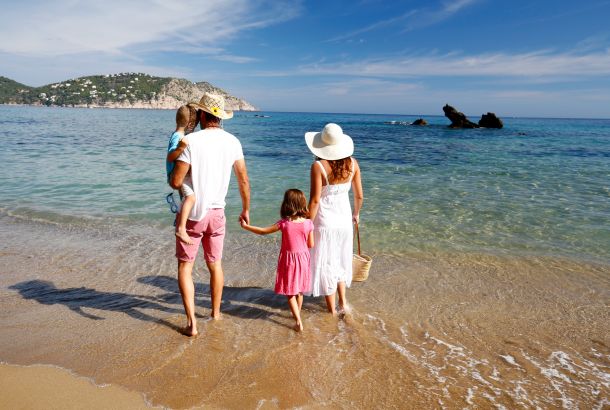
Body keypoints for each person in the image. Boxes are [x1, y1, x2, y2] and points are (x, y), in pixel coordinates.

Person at [170, 93, 250, 337]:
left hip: (194, 214)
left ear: (203, 115)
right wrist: (246, 208)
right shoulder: (233, 142)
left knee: (186, 267)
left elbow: (175, 182)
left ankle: (192, 323)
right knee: (215, 265)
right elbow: (243, 180)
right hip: (218, 213)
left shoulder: (192, 142)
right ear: (220, 117)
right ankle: (215, 313)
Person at [305, 123, 363, 315]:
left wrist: (306, 224)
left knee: (327, 264)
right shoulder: (353, 164)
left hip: (324, 222)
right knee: (340, 261)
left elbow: (314, 200)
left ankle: (331, 310)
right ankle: (343, 303)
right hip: (345, 221)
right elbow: (359, 196)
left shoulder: (318, 166)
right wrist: (356, 214)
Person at [240, 189, 314, 331]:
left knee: (290, 292)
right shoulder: (309, 223)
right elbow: (311, 244)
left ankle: (298, 320)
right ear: (302, 203)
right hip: (304, 258)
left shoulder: (284, 223)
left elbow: (263, 231)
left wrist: (246, 226)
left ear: (287, 204)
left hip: (289, 260)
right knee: (299, 291)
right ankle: (297, 315)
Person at [166, 105, 200, 245]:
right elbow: (170, 157)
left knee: (185, 200)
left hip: (176, 174)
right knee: (191, 198)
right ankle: (181, 228)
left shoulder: (178, 135)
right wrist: (181, 148)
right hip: (174, 174)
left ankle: (180, 221)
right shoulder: (179, 137)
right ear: (190, 124)